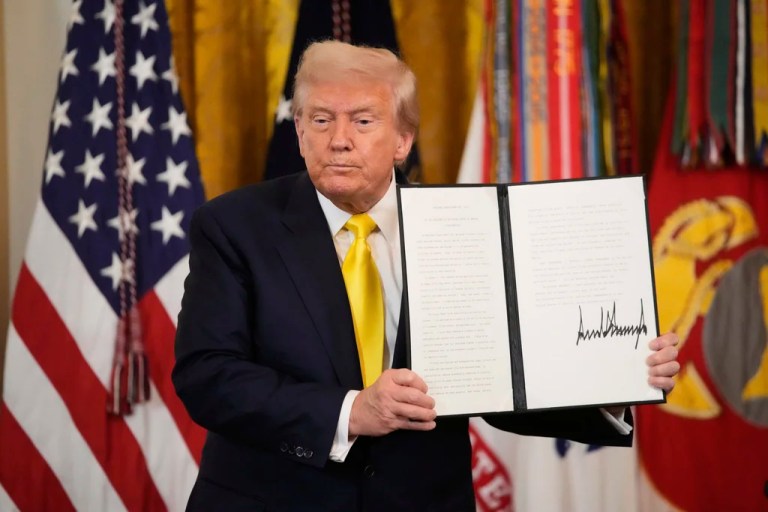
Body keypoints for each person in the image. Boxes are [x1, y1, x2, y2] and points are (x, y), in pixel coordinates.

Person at [172, 40, 680, 511]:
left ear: (403, 139)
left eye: (363, 121)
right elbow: (208, 374)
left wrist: (613, 376)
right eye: (321, 120)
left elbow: (500, 381)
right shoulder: (233, 226)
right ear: (300, 131)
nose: (340, 140)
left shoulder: (466, 226)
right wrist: (351, 411)